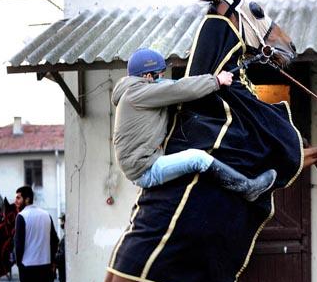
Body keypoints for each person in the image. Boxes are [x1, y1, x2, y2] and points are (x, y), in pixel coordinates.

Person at [112, 48, 277, 202]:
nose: (162, 78)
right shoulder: (136, 94)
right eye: (160, 75)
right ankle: (248, 188)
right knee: (197, 158)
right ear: (148, 77)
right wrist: (217, 81)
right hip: (145, 170)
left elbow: (172, 84)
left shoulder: (137, 90)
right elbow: (178, 89)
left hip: (145, 160)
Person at [55, 213, 67, 282]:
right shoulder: (65, 239)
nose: (61, 225)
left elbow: (61, 257)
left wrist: (54, 258)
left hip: (65, 277)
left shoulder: (66, 240)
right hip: (64, 276)